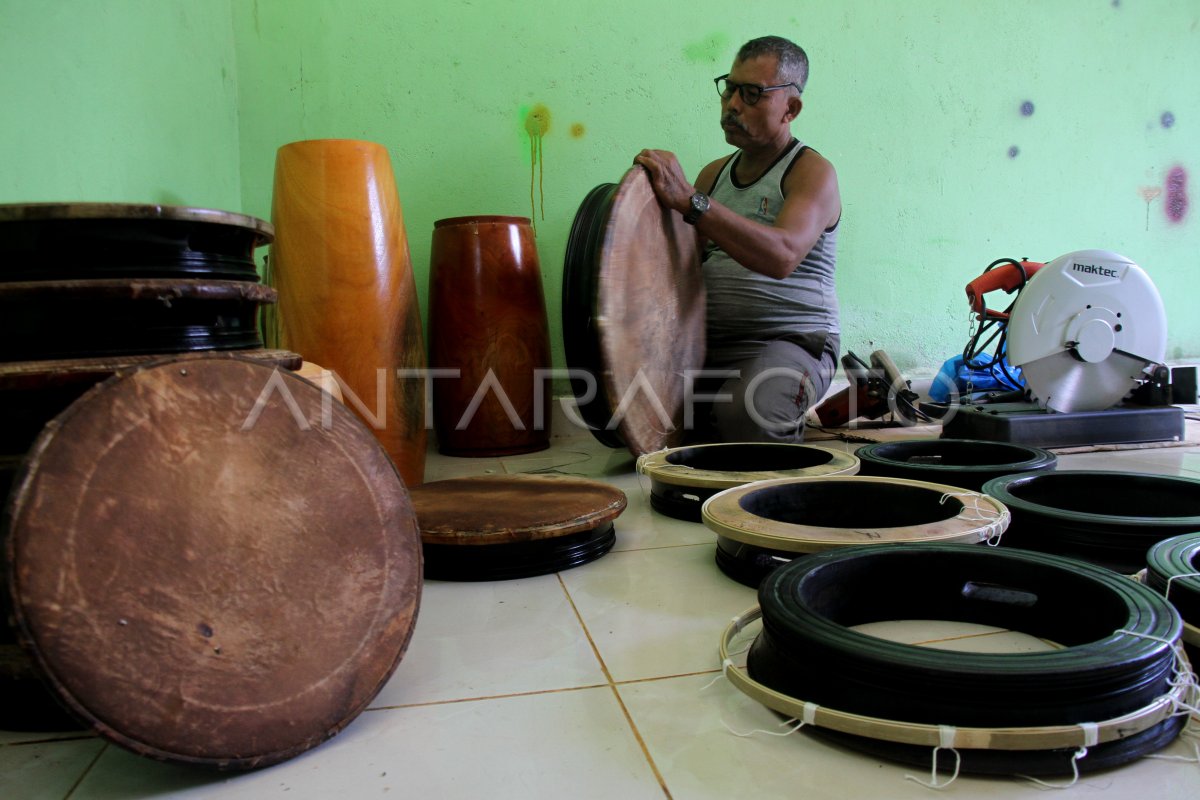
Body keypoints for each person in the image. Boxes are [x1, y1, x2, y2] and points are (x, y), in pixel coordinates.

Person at [634, 35, 841, 443]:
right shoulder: (713, 175)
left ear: (791, 108)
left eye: (752, 94)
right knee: (638, 415)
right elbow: (681, 271)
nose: (732, 104)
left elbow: (783, 256)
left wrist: (694, 203)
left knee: (750, 414)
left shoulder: (811, 172)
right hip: (708, 345)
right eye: (729, 88)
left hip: (791, 343)